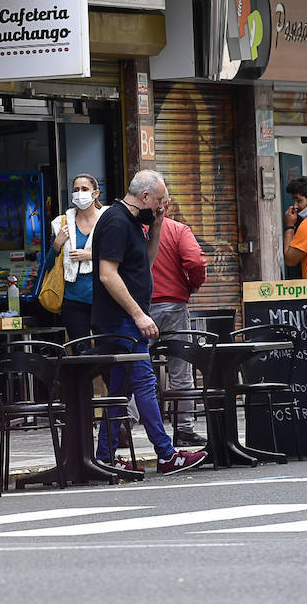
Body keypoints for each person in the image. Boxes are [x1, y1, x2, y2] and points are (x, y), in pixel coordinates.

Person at [91, 170, 206, 476]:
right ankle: (166, 453)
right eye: (157, 203)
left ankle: (104, 455)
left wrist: (155, 228)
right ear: (144, 197)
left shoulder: (133, 222)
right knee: (144, 382)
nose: (159, 208)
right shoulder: (116, 221)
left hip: (126, 318)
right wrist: (139, 314)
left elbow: (146, 263)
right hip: (121, 321)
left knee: (121, 388)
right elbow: (107, 274)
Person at [136, 206, 209, 446]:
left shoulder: (131, 230)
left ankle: (123, 425)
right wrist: (192, 285)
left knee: (134, 369)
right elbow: (196, 261)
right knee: (180, 372)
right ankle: (184, 429)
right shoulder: (178, 230)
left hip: (139, 310)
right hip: (173, 308)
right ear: (165, 206)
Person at [50, 173, 105, 343]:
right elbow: (47, 265)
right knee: (82, 353)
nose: (79, 193)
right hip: (73, 300)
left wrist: (90, 255)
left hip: (104, 298)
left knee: (107, 350)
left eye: (84, 189)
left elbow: (123, 256)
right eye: (76, 190)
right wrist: (57, 244)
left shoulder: (108, 219)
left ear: (95, 193)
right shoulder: (62, 223)